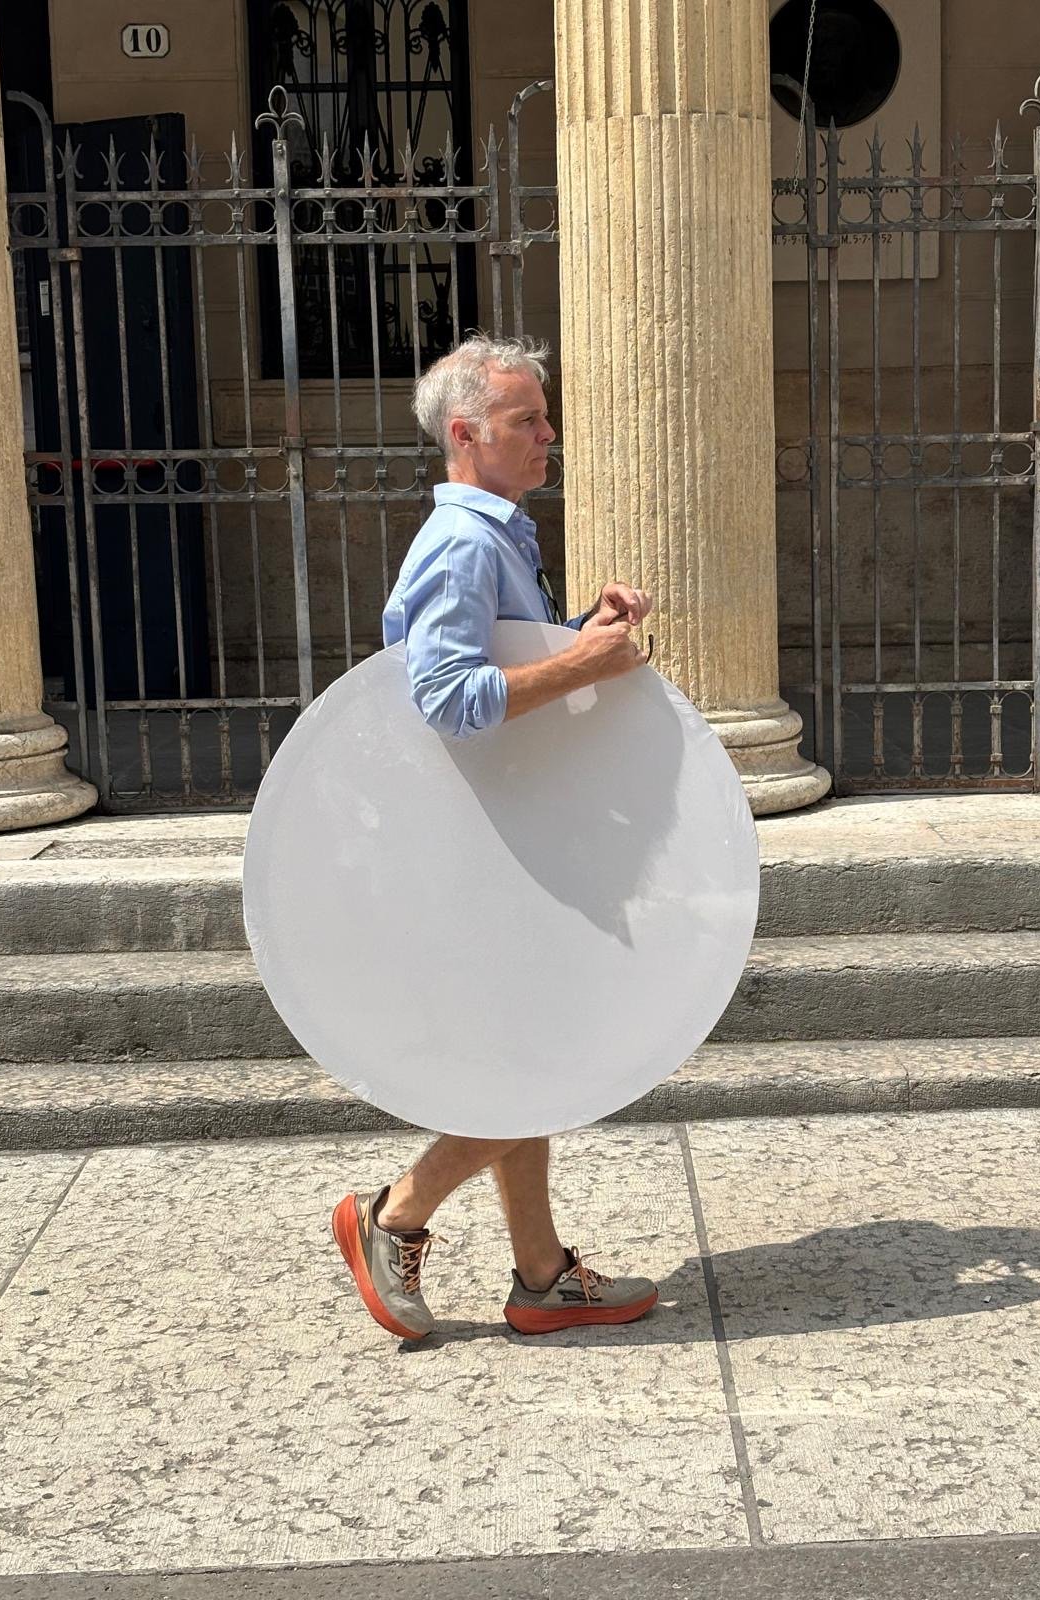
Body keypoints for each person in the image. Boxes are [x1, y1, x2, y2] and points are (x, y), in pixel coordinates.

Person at [331, 334, 659, 1340]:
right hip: (477, 853)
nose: (548, 434)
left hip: (501, 843)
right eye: (528, 420)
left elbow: (494, 667)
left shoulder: (501, 533)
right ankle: (394, 1214)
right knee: (541, 1059)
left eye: (544, 416)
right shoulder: (466, 542)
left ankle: (541, 1274)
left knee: (527, 1050)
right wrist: (588, 667)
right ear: (465, 434)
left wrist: (574, 634)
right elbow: (446, 698)